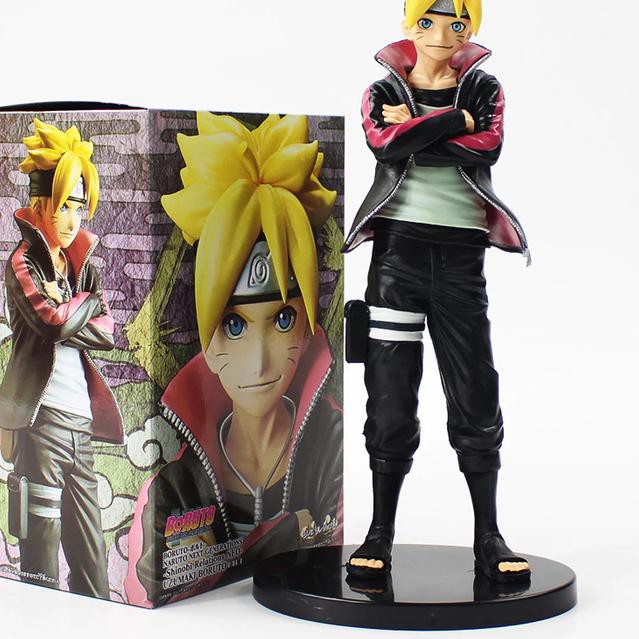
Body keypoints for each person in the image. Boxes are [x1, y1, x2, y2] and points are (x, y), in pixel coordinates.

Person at [343, 0, 531, 582]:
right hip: (396, 257)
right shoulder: (381, 90)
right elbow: (384, 146)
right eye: (427, 21)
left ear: (470, 28)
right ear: (408, 24)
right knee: (390, 393)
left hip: (461, 260)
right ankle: (380, 531)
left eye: (457, 22)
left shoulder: (485, 89)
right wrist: (456, 122)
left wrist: (417, 129)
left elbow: (488, 147)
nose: (442, 33)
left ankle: (489, 535)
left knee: (475, 389)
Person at [125, 113, 343, 607]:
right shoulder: (172, 488)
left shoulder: (330, 448)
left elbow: (332, 544)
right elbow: (146, 586)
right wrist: (290, 527)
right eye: (235, 326)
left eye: (284, 319)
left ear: (307, 326)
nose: (260, 363)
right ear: (208, 341)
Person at [0, 118, 123, 596]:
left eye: (80, 207)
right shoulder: (21, 262)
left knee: (93, 565)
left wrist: (76, 301)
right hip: (42, 426)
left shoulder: (79, 267)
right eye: (64, 205)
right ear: (40, 203)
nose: (73, 220)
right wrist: (81, 308)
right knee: (41, 567)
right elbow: (51, 323)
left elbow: (108, 333)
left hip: (81, 429)